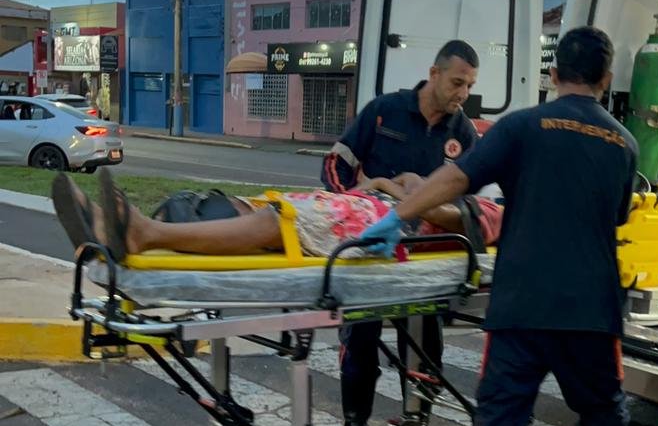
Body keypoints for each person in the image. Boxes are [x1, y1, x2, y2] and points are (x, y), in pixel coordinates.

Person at [354, 26, 639, 426]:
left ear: (553, 74)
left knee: (500, 413)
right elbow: (618, 215)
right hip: (590, 308)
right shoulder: (624, 142)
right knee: (602, 407)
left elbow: (455, 178)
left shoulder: (520, 127)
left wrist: (398, 216)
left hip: (520, 304)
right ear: (606, 79)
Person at [322, 39, 480, 426]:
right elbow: (335, 165)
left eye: (469, 85)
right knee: (361, 342)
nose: (463, 93)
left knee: (427, 345)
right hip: (372, 250)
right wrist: (355, 202)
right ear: (434, 74)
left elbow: (468, 201)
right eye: (457, 82)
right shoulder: (384, 112)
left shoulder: (462, 134)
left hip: (424, 257)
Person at [50, 168, 502, 265]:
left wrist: (402, 190)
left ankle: (143, 233)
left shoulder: (496, 215)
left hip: (378, 227)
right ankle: (104, 227)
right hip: (366, 210)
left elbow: (441, 213)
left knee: (278, 224)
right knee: (256, 209)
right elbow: (414, 185)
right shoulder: (483, 200)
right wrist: (401, 185)